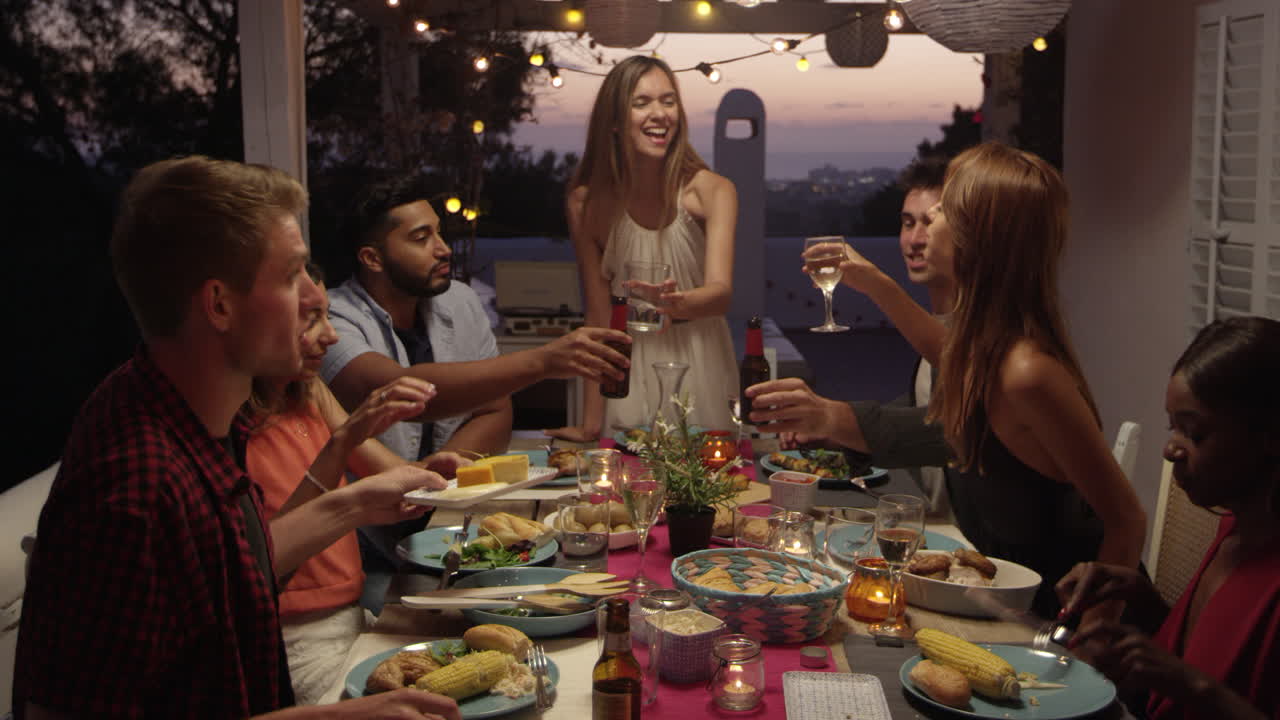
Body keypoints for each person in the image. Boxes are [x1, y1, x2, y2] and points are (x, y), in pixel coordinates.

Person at [14, 156, 460, 720]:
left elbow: (235, 575)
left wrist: (352, 503)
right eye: (291, 275)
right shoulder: (136, 484)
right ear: (220, 305)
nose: (311, 299)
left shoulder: (187, 415)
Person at [771, 142, 1148, 619]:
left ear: (977, 237)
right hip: (1000, 603)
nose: (926, 228)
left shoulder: (1028, 373)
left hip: (1047, 619)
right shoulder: (990, 352)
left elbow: (1128, 520)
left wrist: (1091, 641)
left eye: (942, 212)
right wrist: (874, 283)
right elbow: (943, 352)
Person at [320, 175, 629, 609]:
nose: (443, 249)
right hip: (363, 543)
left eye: (439, 233)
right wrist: (543, 361)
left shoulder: (459, 302)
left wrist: (439, 486)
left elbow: (495, 409)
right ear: (372, 258)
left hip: (447, 526)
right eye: (421, 238)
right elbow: (398, 393)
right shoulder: (333, 317)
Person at [247, 265, 469, 704]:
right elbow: (259, 562)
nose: (331, 336)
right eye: (310, 319)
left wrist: (428, 472)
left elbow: (387, 474)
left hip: (353, 616)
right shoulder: (230, 418)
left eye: (327, 316)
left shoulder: (308, 389)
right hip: (295, 636)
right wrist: (345, 440)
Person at [1056, 316, 1280, 719]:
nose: (1170, 449)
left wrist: (1189, 684)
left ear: (1270, 438)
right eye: (1172, 426)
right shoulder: (1236, 526)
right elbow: (1214, 655)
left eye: (1195, 434)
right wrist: (1142, 600)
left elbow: (1204, 683)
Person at [545, 55, 739, 441]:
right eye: (642, 102)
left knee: (705, 491)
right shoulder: (585, 203)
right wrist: (591, 421)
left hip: (700, 362)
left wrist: (671, 305)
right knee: (627, 489)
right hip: (627, 373)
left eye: (668, 101)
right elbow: (599, 316)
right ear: (614, 121)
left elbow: (720, 295)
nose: (660, 114)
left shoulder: (714, 191)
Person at [749, 158, 953, 492]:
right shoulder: (937, 321)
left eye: (930, 223)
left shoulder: (988, 332)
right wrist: (834, 433)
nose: (915, 239)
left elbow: (951, 431)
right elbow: (921, 404)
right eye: (907, 223)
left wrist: (836, 417)